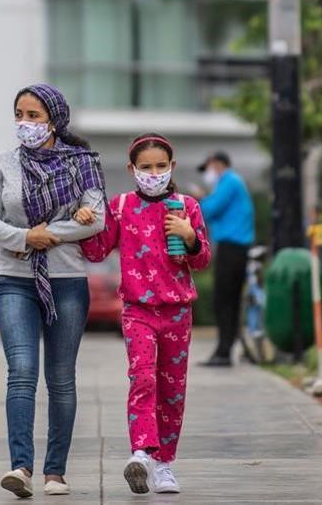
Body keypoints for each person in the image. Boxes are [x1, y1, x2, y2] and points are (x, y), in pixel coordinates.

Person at [0, 83, 106, 498]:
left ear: (54, 119)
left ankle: (56, 472)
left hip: (67, 281)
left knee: (61, 378)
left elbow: (96, 220)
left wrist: (45, 234)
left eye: (34, 116)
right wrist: (22, 238)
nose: (25, 123)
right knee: (21, 373)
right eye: (19, 114)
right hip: (14, 279)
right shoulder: (2, 164)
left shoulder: (82, 163)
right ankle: (20, 468)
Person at [74, 133, 211, 495]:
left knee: (172, 388)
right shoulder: (120, 206)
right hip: (137, 311)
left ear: (172, 167)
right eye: (146, 167)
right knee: (143, 378)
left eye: (160, 166)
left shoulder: (187, 206)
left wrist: (190, 236)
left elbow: (202, 259)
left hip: (178, 312)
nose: (154, 173)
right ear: (132, 169)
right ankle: (142, 453)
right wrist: (87, 221)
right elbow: (97, 251)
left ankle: (165, 464)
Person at [197, 151, 255, 367]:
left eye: (208, 168)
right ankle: (224, 349)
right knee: (227, 300)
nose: (208, 173)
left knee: (224, 300)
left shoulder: (229, 181)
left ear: (217, 164)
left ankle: (224, 351)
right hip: (232, 247)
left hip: (233, 248)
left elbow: (209, 210)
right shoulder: (230, 183)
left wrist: (200, 199)